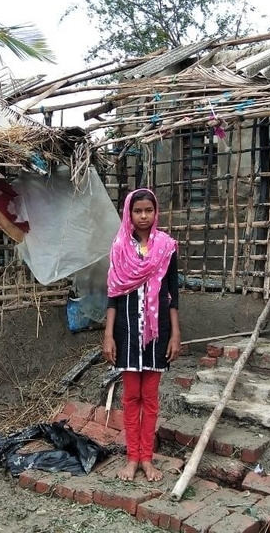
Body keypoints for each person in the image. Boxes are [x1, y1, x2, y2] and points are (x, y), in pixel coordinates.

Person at [103, 188, 181, 482]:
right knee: (130, 397)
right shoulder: (120, 247)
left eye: (149, 210)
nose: (144, 216)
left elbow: (173, 294)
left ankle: (147, 458)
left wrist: (175, 334)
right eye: (138, 211)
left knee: (150, 398)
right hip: (125, 333)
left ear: (155, 212)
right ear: (129, 214)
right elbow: (112, 294)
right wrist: (108, 335)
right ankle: (131, 458)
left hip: (157, 334)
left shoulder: (166, 246)